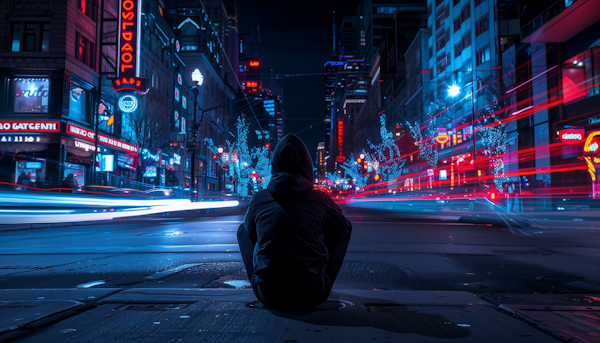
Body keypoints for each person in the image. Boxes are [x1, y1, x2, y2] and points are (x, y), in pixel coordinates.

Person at [237, 134, 352, 311]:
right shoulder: (320, 199)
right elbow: (343, 228)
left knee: (243, 230)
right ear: (307, 166)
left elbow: (249, 233)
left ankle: (265, 275)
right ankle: (316, 275)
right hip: (312, 294)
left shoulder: (259, 199)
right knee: (341, 227)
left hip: (268, 295)